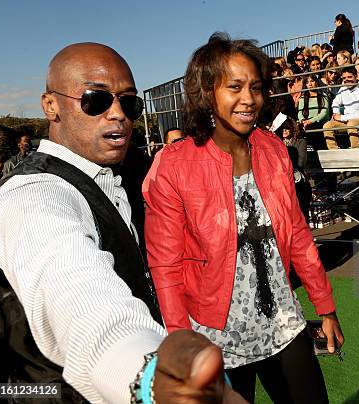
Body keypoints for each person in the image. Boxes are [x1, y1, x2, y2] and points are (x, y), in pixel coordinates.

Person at [0, 42, 240, 403]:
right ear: (50, 105)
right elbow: (75, 289)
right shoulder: (32, 193)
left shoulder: (124, 173)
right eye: (96, 99)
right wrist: (151, 377)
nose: (118, 113)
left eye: (129, 102)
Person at [143, 33, 344, 403]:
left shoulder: (273, 149)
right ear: (206, 92)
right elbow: (165, 265)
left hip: (283, 322)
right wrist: (180, 341)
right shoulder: (173, 165)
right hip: (215, 334)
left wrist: (325, 307)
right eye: (234, 87)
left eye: (255, 87)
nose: (249, 99)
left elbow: (298, 235)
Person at [322, 66, 359, 149]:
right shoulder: (343, 89)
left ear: (356, 76)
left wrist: (341, 117)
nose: (347, 80)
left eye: (349, 77)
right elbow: (335, 102)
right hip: (345, 120)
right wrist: (336, 113)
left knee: (351, 124)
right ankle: (333, 151)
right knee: (327, 126)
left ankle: (356, 149)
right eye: (344, 78)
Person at [298, 74, 329, 149]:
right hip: (306, 121)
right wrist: (302, 121)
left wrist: (310, 121)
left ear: (316, 82)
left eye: (312, 81)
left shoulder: (323, 95)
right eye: (307, 82)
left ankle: (317, 149)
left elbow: (324, 112)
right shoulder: (303, 98)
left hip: (319, 121)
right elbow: (300, 112)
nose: (310, 84)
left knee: (312, 128)